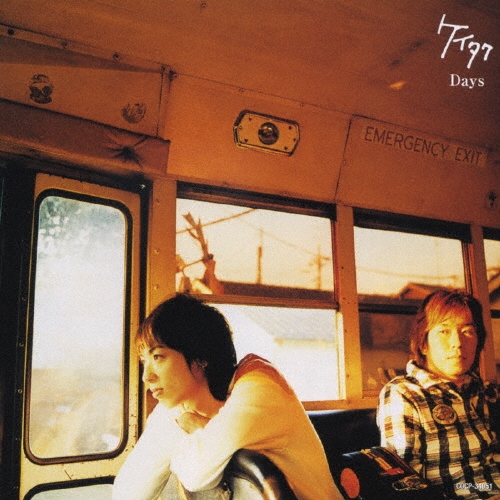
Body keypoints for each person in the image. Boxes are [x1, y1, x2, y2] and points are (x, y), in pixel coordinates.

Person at [113, 293, 342, 500]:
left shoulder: (260, 385)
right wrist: (194, 428)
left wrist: (192, 426)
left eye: (158, 357)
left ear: (201, 357)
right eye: (144, 360)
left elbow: (195, 474)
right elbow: (127, 493)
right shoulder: (175, 408)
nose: (147, 376)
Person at [377, 290, 500, 499]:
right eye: (444, 331)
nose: (457, 342)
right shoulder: (404, 393)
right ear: (424, 343)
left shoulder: (482, 391)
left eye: (468, 331)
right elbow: (406, 484)